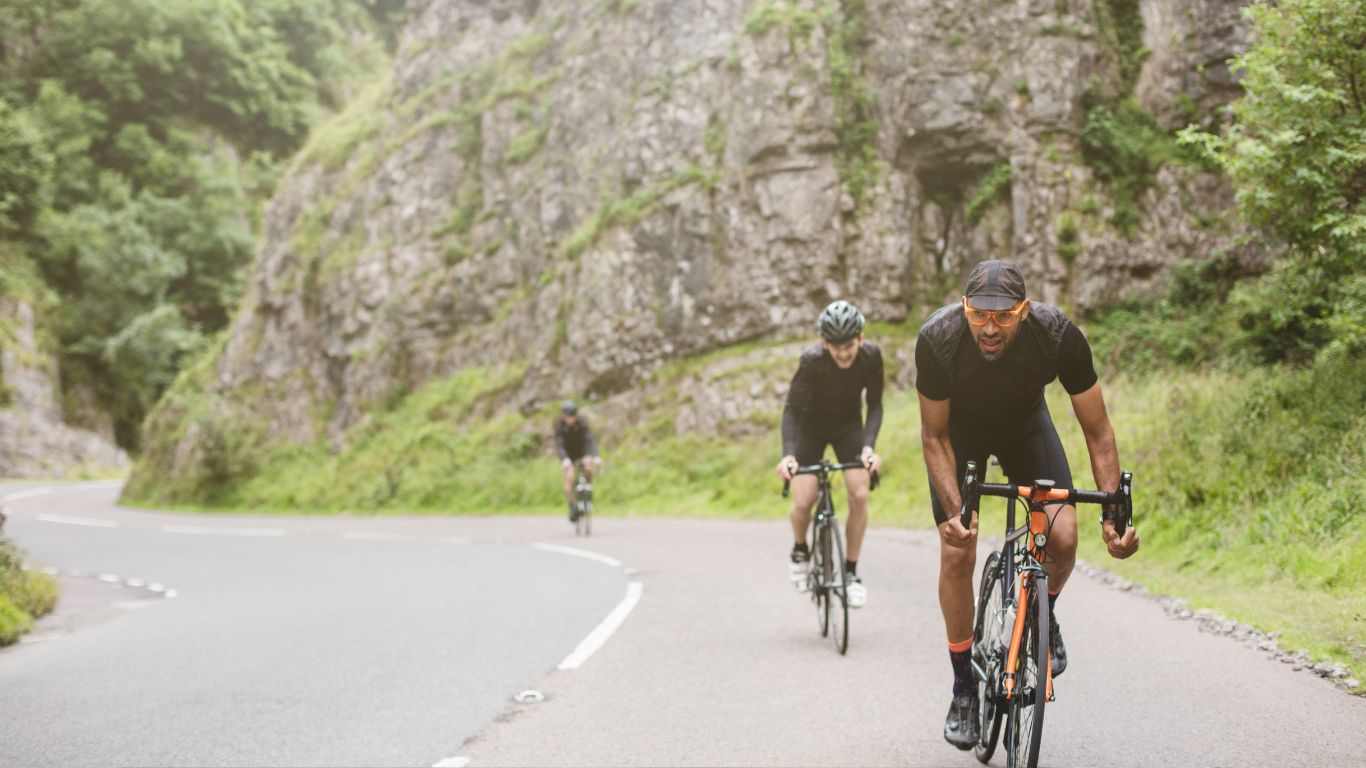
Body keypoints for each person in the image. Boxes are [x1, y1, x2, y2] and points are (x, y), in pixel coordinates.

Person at [915, 260, 1140, 750]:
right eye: (979, 316)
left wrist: (1114, 516)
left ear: (1025, 311)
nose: (990, 329)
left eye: (1003, 317)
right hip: (961, 436)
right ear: (964, 308)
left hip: (1024, 427)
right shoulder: (938, 338)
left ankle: (1045, 611)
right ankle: (963, 687)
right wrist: (957, 512)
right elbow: (933, 437)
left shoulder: (1057, 335)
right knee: (957, 551)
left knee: (1062, 538)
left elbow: (1098, 430)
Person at [775, 300, 884, 609]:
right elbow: (792, 410)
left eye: (849, 344)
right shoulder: (811, 361)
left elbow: (875, 405)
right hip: (810, 427)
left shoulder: (871, 357)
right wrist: (788, 455)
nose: (844, 352)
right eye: (836, 347)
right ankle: (799, 549)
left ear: (860, 338)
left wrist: (868, 447)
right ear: (824, 343)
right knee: (803, 500)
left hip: (848, 426)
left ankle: (850, 573)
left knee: (859, 494)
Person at [554, 400, 600, 521]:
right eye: (567, 415)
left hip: (582, 452)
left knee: (588, 468)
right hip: (568, 455)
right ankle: (572, 506)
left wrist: (595, 456)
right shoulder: (559, 426)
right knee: (569, 477)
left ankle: (588, 492)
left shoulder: (583, 423)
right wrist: (564, 459)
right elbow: (559, 445)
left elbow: (590, 440)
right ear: (563, 415)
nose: (570, 418)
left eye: (572, 415)